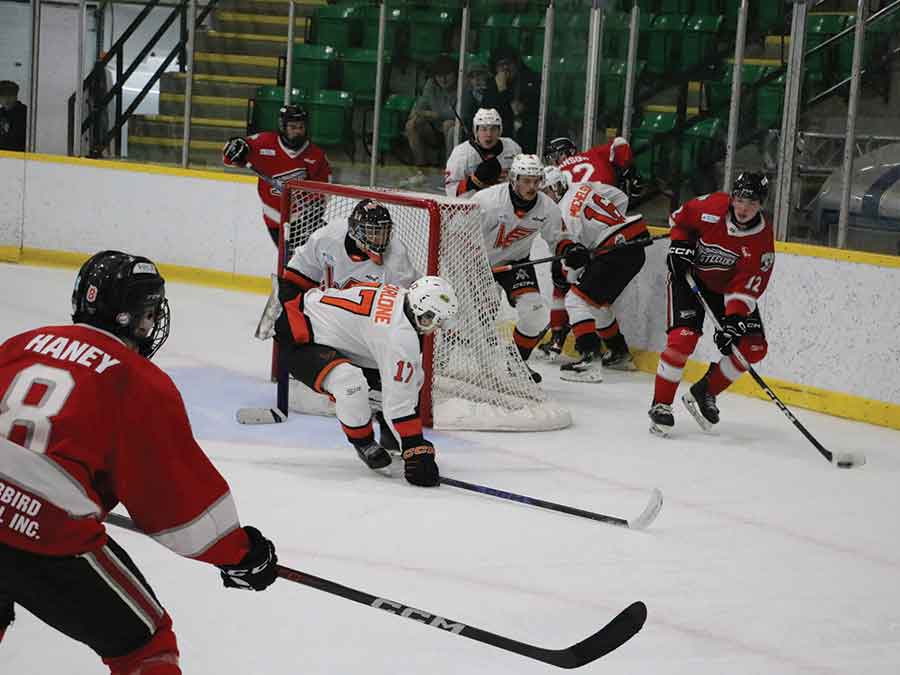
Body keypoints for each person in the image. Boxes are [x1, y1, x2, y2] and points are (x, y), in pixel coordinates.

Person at [0, 250, 277, 674]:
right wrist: (240, 554)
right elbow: (181, 510)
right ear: (133, 317)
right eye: (148, 314)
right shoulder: (138, 380)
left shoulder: (22, 343)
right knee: (146, 646)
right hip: (46, 534)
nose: (151, 324)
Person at [274, 276, 459, 487]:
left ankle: (389, 428)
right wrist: (415, 449)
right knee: (350, 384)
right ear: (420, 309)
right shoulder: (398, 336)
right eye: (433, 319)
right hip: (300, 337)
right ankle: (363, 442)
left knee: (413, 377)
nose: (435, 327)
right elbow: (398, 406)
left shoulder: (402, 298)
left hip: (327, 328)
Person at [648, 172, 775, 436]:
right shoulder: (711, 207)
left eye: (751, 203)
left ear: (761, 204)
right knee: (683, 339)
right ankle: (661, 405)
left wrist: (733, 321)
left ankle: (705, 391)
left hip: (726, 290)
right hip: (689, 278)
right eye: (739, 200)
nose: (743, 208)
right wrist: (680, 246)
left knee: (751, 346)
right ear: (732, 198)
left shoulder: (761, 243)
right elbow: (680, 221)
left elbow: (745, 286)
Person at [539, 166, 649, 381]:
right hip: (634, 243)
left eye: (545, 192)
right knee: (595, 303)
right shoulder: (582, 186)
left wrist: (570, 278)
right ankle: (619, 353)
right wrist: (604, 226)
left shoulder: (564, 215)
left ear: (554, 188)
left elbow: (574, 265)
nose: (542, 197)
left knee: (575, 300)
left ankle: (590, 360)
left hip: (614, 251)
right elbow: (619, 198)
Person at [470, 154, 564, 383]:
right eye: (525, 180)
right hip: (478, 263)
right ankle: (454, 358)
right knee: (480, 318)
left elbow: (558, 238)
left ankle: (517, 363)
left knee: (536, 313)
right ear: (514, 179)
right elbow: (459, 233)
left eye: (536, 181)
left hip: (516, 262)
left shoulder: (547, 207)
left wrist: (570, 249)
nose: (531, 186)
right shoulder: (487, 201)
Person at [223, 104, 331, 246]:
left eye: (301, 127)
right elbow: (229, 159)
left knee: (310, 261)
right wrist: (233, 149)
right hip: (274, 217)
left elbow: (324, 189)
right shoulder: (263, 142)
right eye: (293, 127)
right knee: (289, 263)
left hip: (302, 219)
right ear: (283, 127)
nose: (298, 131)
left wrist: (314, 209)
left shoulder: (316, 155)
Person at [444, 107, 522, 198]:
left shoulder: (513, 148)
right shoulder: (461, 153)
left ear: (500, 131)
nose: (489, 134)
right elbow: (450, 190)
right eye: (484, 129)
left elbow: (523, 181)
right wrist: (473, 181)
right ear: (476, 131)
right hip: (473, 207)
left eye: (493, 129)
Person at [544, 136, 643, 199]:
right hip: (610, 197)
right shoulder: (593, 153)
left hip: (580, 207)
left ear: (571, 151)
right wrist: (624, 167)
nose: (552, 161)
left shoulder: (557, 172)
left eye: (555, 156)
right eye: (549, 158)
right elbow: (620, 143)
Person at [481, 47, 540, 153]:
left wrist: (504, 92)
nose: (505, 68)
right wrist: (501, 89)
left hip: (526, 130)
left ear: (516, 64)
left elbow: (517, 110)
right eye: (500, 65)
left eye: (508, 63)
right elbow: (488, 111)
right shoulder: (492, 84)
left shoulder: (529, 80)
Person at [405, 55, 458, 167]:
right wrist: (416, 114)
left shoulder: (463, 86)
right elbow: (420, 106)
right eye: (439, 76)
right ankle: (421, 167)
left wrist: (436, 115)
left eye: (447, 75)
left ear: (455, 74)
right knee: (411, 125)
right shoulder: (431, 84)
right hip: (434, 130)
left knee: (448, 124)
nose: (443, 79)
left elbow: (460, 114)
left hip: (456, 131)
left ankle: (449, 168)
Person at [0, 80, 27, 152]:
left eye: (10, 95)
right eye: (3, 96)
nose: (6, 99)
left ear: (16, 96)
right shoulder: (1, 113)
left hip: (18, 157)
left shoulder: (25, 113)